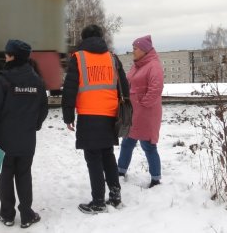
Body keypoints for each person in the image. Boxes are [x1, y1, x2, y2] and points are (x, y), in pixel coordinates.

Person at [61, 25, 129, 214]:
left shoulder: (78, 57)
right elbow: (124, 85)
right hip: (110, 114)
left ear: (83, 38)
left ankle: (98, 200)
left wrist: (68, 115)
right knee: (107, 154)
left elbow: (70, 88)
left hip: (88, 115)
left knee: (93, 157)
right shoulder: (112, 58)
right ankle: (115, 196)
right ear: (101, 38)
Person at [0, 39, 48, 228]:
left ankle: (7, 215)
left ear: (11, 56)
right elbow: (43, 108)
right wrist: (35, 125)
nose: (5, 56)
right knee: (24, 175)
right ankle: (27, 214)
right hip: (27, 139)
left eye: (6, 53)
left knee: (6, 174)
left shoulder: (2, 79)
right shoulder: (37, 79)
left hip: (5, 139)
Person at [117, 34, 164, 188]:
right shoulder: (137, 65)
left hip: (146, 114)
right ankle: (120, 171)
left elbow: (155, 88)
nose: (133, 51)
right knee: (127, 142)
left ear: (144, 50)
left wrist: (143, 104)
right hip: (134, 113)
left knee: (148, 146)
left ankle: (156, 179)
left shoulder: (153, 65)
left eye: (135, 48)